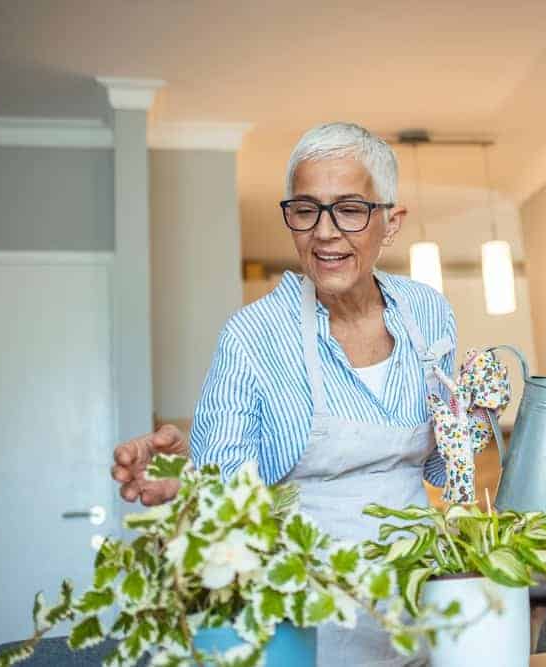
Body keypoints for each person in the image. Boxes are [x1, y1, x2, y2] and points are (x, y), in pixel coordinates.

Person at [111, 122, 455, 666]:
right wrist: (185, 479)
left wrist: (473, 415)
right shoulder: (251, 337)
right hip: (303, 620)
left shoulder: (429, 312)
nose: (325, 232)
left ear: (391, 222)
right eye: (305, 209)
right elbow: (223, 495)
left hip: (425, 605)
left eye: (350, 209)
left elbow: (445, 459)